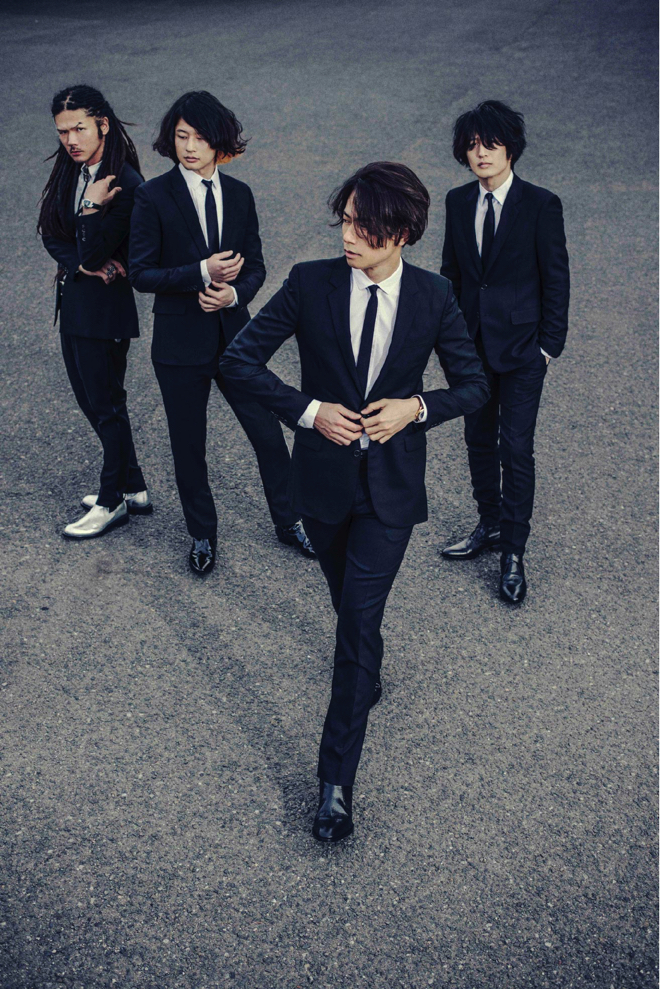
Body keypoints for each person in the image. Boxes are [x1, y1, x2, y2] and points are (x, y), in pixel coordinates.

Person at [219, 162, 489, 841]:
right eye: (344, 221)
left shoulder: (434, 297)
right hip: (322, 485)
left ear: (401, 234)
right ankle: (367, 665)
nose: (347, 236)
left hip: (391, 491)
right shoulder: (309, 283)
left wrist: (415, 407)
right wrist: (309, 411)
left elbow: (474, 385)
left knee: (356, 623)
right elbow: (238, 361)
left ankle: (335, 783)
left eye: (363, 227)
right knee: (349, 607)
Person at [129, 91, 314, 575]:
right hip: (178, 346)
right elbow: (140, 273)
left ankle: (289, 520)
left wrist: (233, 295)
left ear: (220, 143)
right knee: (189, 447)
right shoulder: (152, 196)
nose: (189, 147)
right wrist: (200, 272)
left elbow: (255, 267)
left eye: (200, 137)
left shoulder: (240, 195)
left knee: (268, 436)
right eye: (181, 136)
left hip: (236, 340)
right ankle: (202, 534)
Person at [440, 100, 570, 603]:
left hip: (523, 351)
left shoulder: (541, 204)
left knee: (516, 449)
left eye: (490, 144)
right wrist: (451, 341)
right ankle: (490, 524)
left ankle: (513, 551)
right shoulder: (457, 202)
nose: (481, 153)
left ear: (510, 148)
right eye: (473, 145)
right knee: (478, 439)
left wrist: (548, 348)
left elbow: (556, 278)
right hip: (472, 348)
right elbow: (452, 275)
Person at [39, 85, 151, 539]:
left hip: (104, 312)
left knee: (104, 406)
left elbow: (96, 249)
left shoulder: (124, 183)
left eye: (79, 128)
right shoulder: (72, 168)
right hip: (76, 304)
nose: (70, 140)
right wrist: (81, 265)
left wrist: (89, 209)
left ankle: (112, 500)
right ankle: (134, 486)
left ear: (103, 124)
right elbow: (51, 232)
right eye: (63, 131)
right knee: (95, 402)